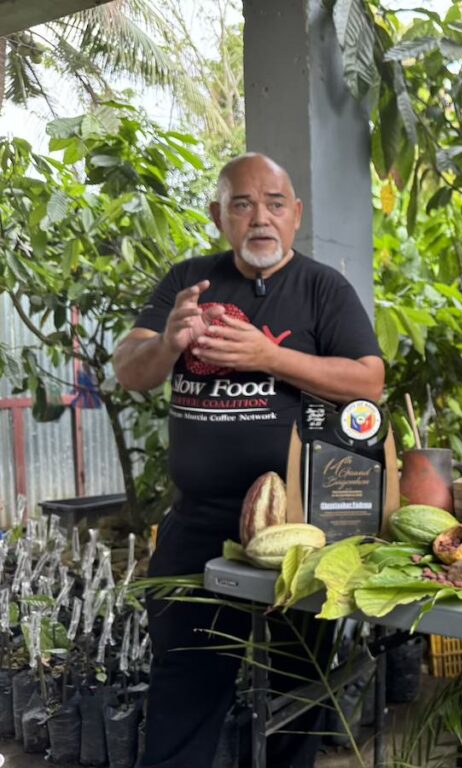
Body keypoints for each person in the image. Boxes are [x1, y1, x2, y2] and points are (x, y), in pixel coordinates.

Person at [114, 153, 385, 768]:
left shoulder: (322, 288)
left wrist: (269, 357)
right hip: (199, 525)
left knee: (300, 686)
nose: (259, 217)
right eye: (242, 203)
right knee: (184, 683)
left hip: (299, 533)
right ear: (218, 216)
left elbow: (368, 381)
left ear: (296, 215)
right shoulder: (188, 281)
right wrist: (168, 343)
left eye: (274, 203)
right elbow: (131, 371)